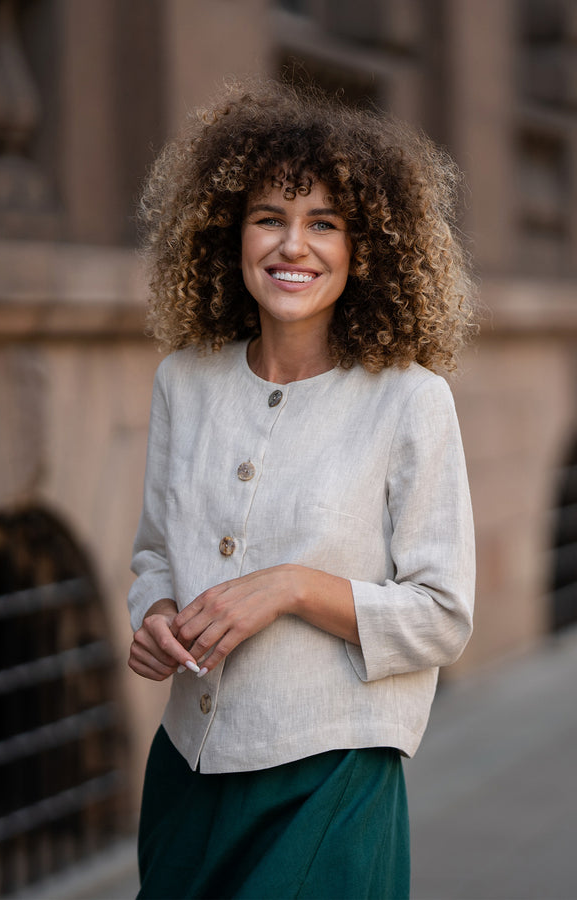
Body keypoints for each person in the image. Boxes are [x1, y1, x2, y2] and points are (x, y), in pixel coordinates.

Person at [127, 78, 476, 900]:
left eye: (324, 223)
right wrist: (154, 613)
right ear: (229, 232)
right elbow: (154, 552)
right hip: (188, 771)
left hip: (333, 781)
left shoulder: (411, 400)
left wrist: (290, 587)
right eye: (268, 218)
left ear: (366, 247)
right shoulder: (183, 381)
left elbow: (443, 614)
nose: (293, 246)